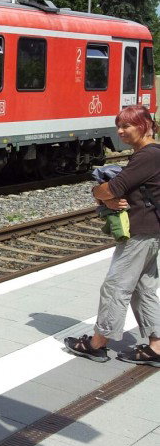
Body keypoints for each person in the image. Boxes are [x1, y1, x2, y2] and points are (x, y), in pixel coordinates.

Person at [65, 104, 160, 366]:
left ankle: (97, 344)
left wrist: (99, 194)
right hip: (151, 231)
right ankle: (156, 347)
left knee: (115, 288)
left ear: (142, 126)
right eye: (119, 125)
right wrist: (108, 198)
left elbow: (114, 188)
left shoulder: (147, 156)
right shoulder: (150, 153)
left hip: (140, 233)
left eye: (126, 126)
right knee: (143, 289)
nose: (120, 131)